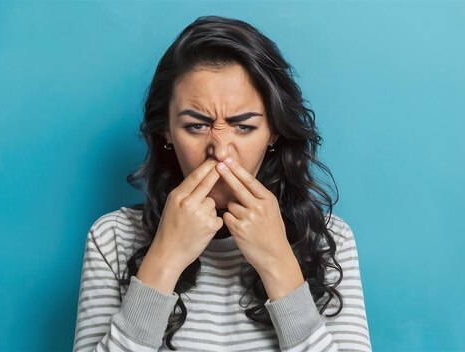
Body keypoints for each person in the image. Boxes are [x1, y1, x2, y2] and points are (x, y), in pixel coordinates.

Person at [72, 15, 371, 352]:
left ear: (273, 131)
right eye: (196, 126)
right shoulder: (112, 238)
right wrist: (165, 258)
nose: (220, 150)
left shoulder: (329, 239)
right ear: (167, 131)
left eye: (244, 126)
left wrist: (277, 262)